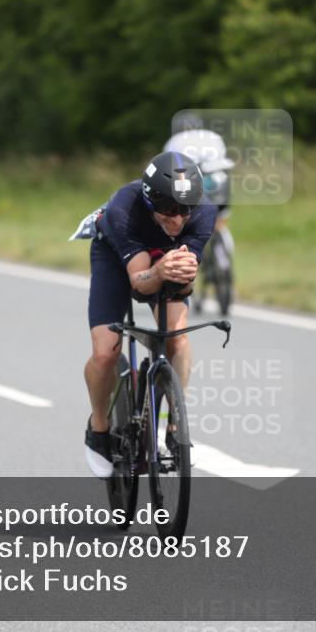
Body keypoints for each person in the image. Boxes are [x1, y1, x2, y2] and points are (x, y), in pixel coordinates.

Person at [80, 151, 216, 478]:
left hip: (161, 261)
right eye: (168, 211)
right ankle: (98, 427)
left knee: (178, 341)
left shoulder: (204, 211)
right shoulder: (123, 209)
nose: (178, 220)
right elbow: (140, 284)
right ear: (149, 201)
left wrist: (183, 277)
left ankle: (173, 424)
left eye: (184, 210)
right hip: (116, 259)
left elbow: (181, 291)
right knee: (105, 353)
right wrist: (159, 271)